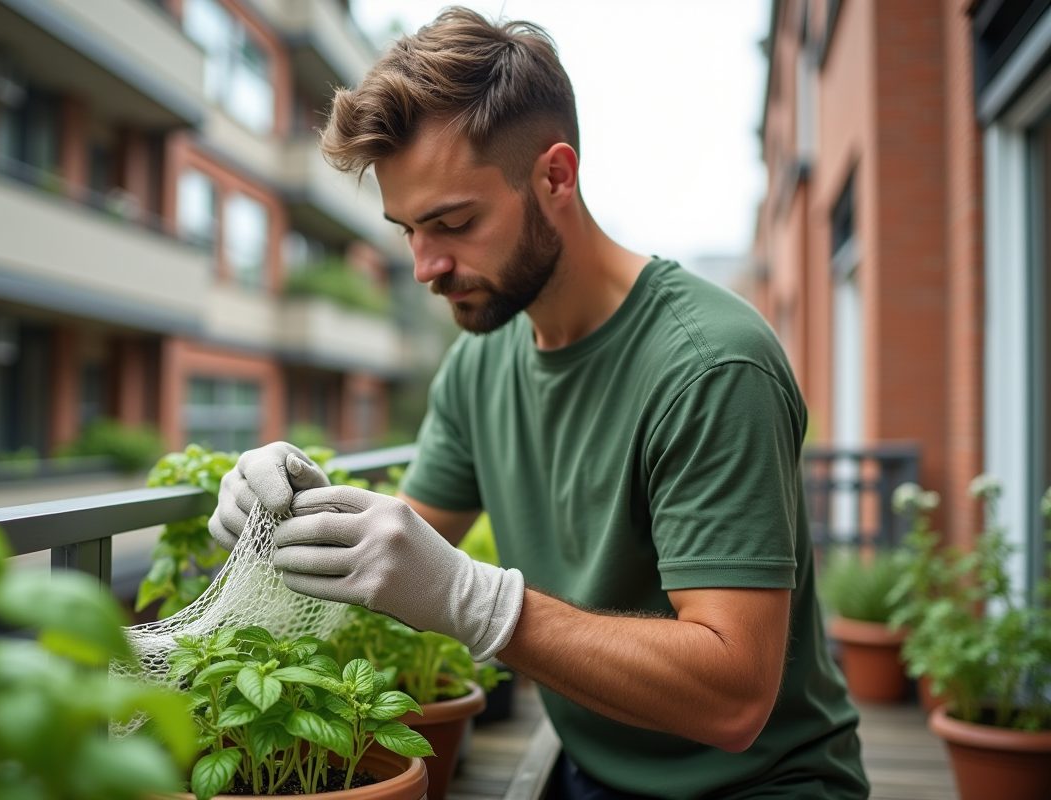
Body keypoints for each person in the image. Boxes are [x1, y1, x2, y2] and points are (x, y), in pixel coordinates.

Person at [210, 8, 869, 799]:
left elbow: (734, 699)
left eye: (454, 222)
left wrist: (477, 601)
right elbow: (403, 548)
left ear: (557, 176)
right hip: (592, 764)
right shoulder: (480, 361)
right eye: (408, 229)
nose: (426, 266)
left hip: (761, 784)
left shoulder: (711, 366)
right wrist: (288, 510)